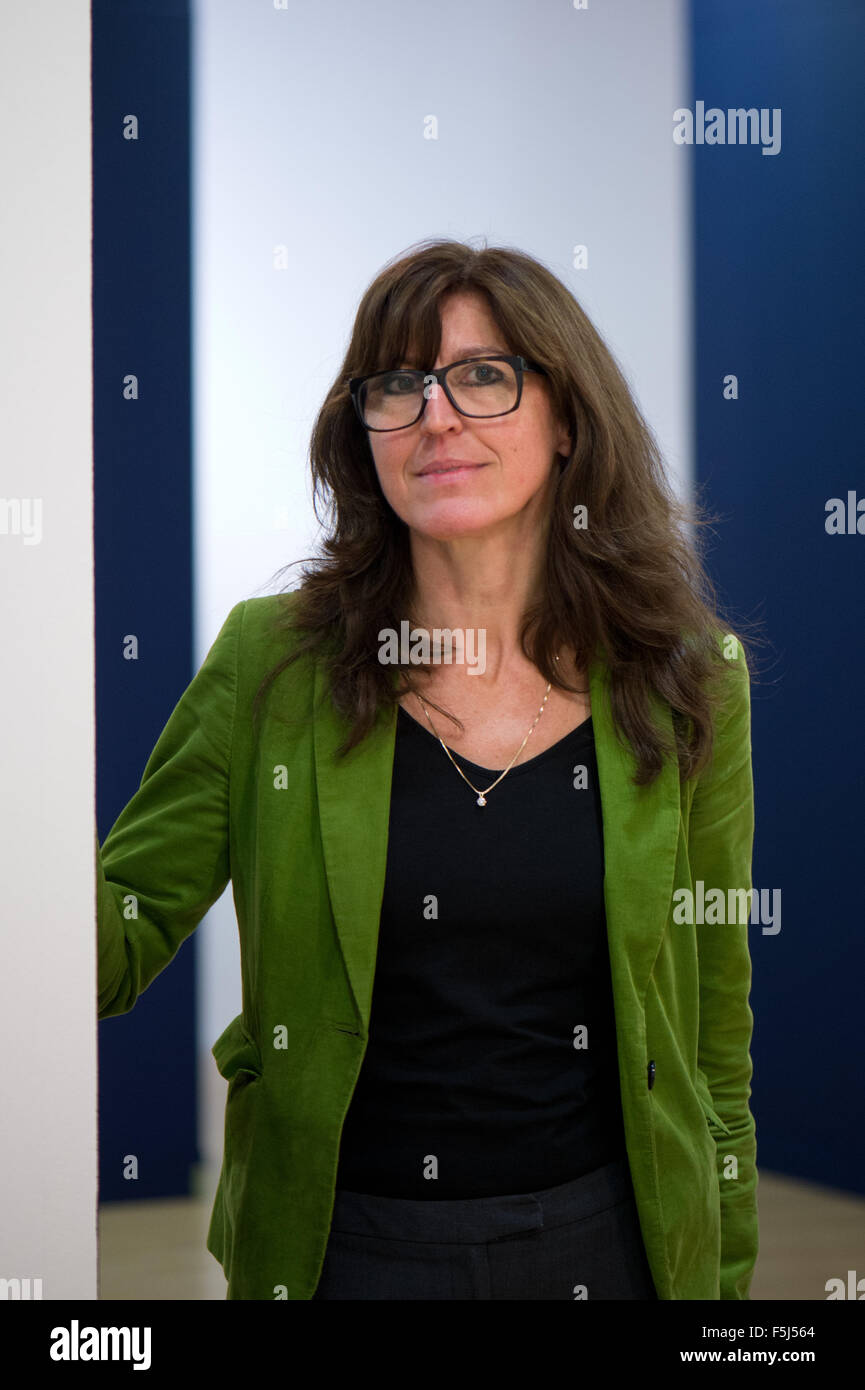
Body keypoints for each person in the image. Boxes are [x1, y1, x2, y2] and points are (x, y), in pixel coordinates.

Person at [97, 237, 759, 1300]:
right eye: (398, 386)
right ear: (363, 437)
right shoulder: (272, 662)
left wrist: (720, 1284)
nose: (436, 417)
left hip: (609, 1245)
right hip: (343, 1249)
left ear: (567, 418)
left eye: (483, 377)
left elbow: (714, 1029)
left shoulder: (684, 677)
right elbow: (116, 933)